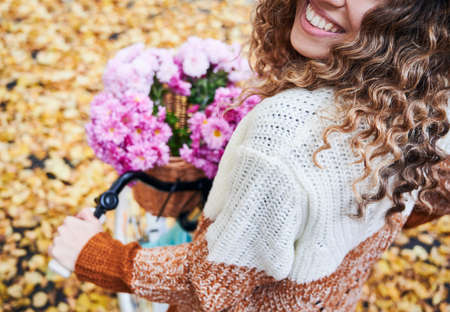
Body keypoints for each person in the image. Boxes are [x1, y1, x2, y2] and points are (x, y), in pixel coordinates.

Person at [49, 0, 449, 311]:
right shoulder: (428, 97)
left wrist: (100, 256)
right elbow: (436, 194)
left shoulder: (285, 135)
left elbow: (214, 283)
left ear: (417, 14)